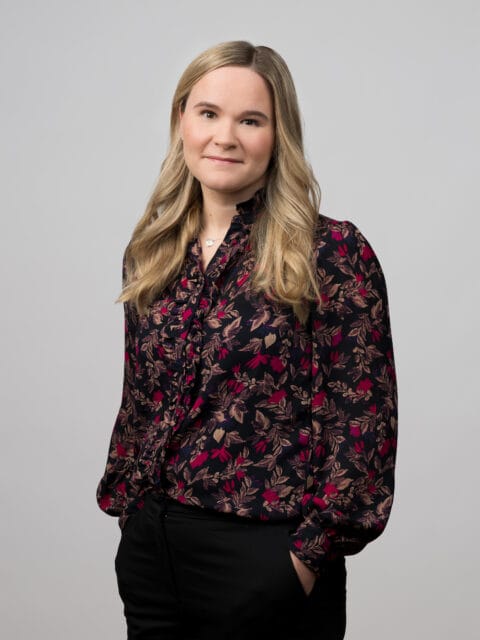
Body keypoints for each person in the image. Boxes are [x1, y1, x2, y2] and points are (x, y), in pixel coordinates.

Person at [96, 40, 397, 640]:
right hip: (154, 554)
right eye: (208, 113)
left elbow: (362, 423)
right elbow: (140, 403)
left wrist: (306, 559)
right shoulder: (152, 253)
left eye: (251, 120)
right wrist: (132, 515)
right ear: (182, 120)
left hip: (268, 558)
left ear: (278, 135)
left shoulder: (330, 253)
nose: (225, 137)